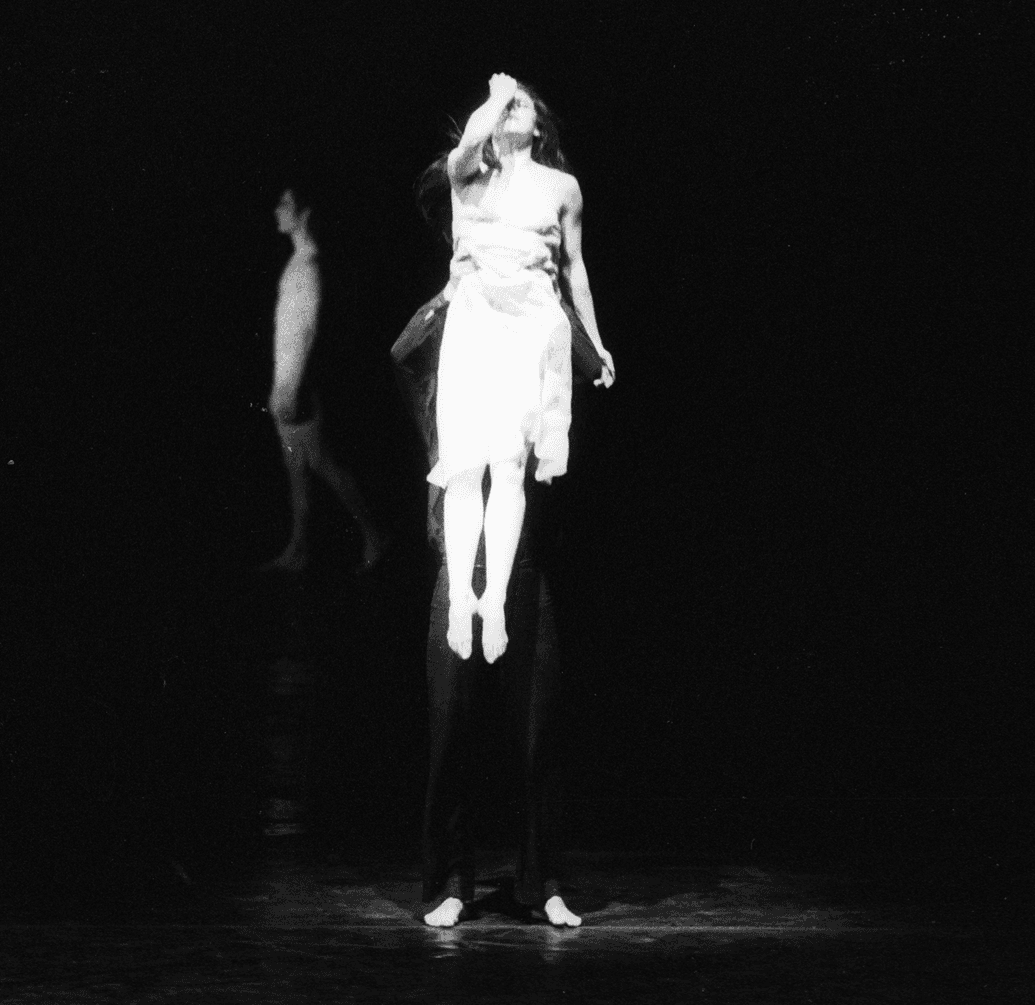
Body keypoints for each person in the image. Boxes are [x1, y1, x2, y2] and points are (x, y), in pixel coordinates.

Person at [392, 75, 614, 928]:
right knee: (450, 718)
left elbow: (579, 276)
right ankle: (450, 880)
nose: (517, 112)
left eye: (527, 107)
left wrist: (594, 345)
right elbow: (462, 152)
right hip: (458, 530)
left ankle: (540, 878)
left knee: (536, 718)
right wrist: (497, 94)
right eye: (506, 113)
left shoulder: (558, 195)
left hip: (520, 549)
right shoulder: (470, 189)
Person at [262, 186, 387, 574]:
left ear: (303, 213)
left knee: (324, 465)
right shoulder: (300, 264)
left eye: (285, 203)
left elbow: (307, 332)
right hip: (288, 384)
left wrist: (291, 387)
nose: (277, 210)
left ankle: (374, 536)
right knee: (299, 470)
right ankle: (299, 549)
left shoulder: (309, 267)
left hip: (297, 388)